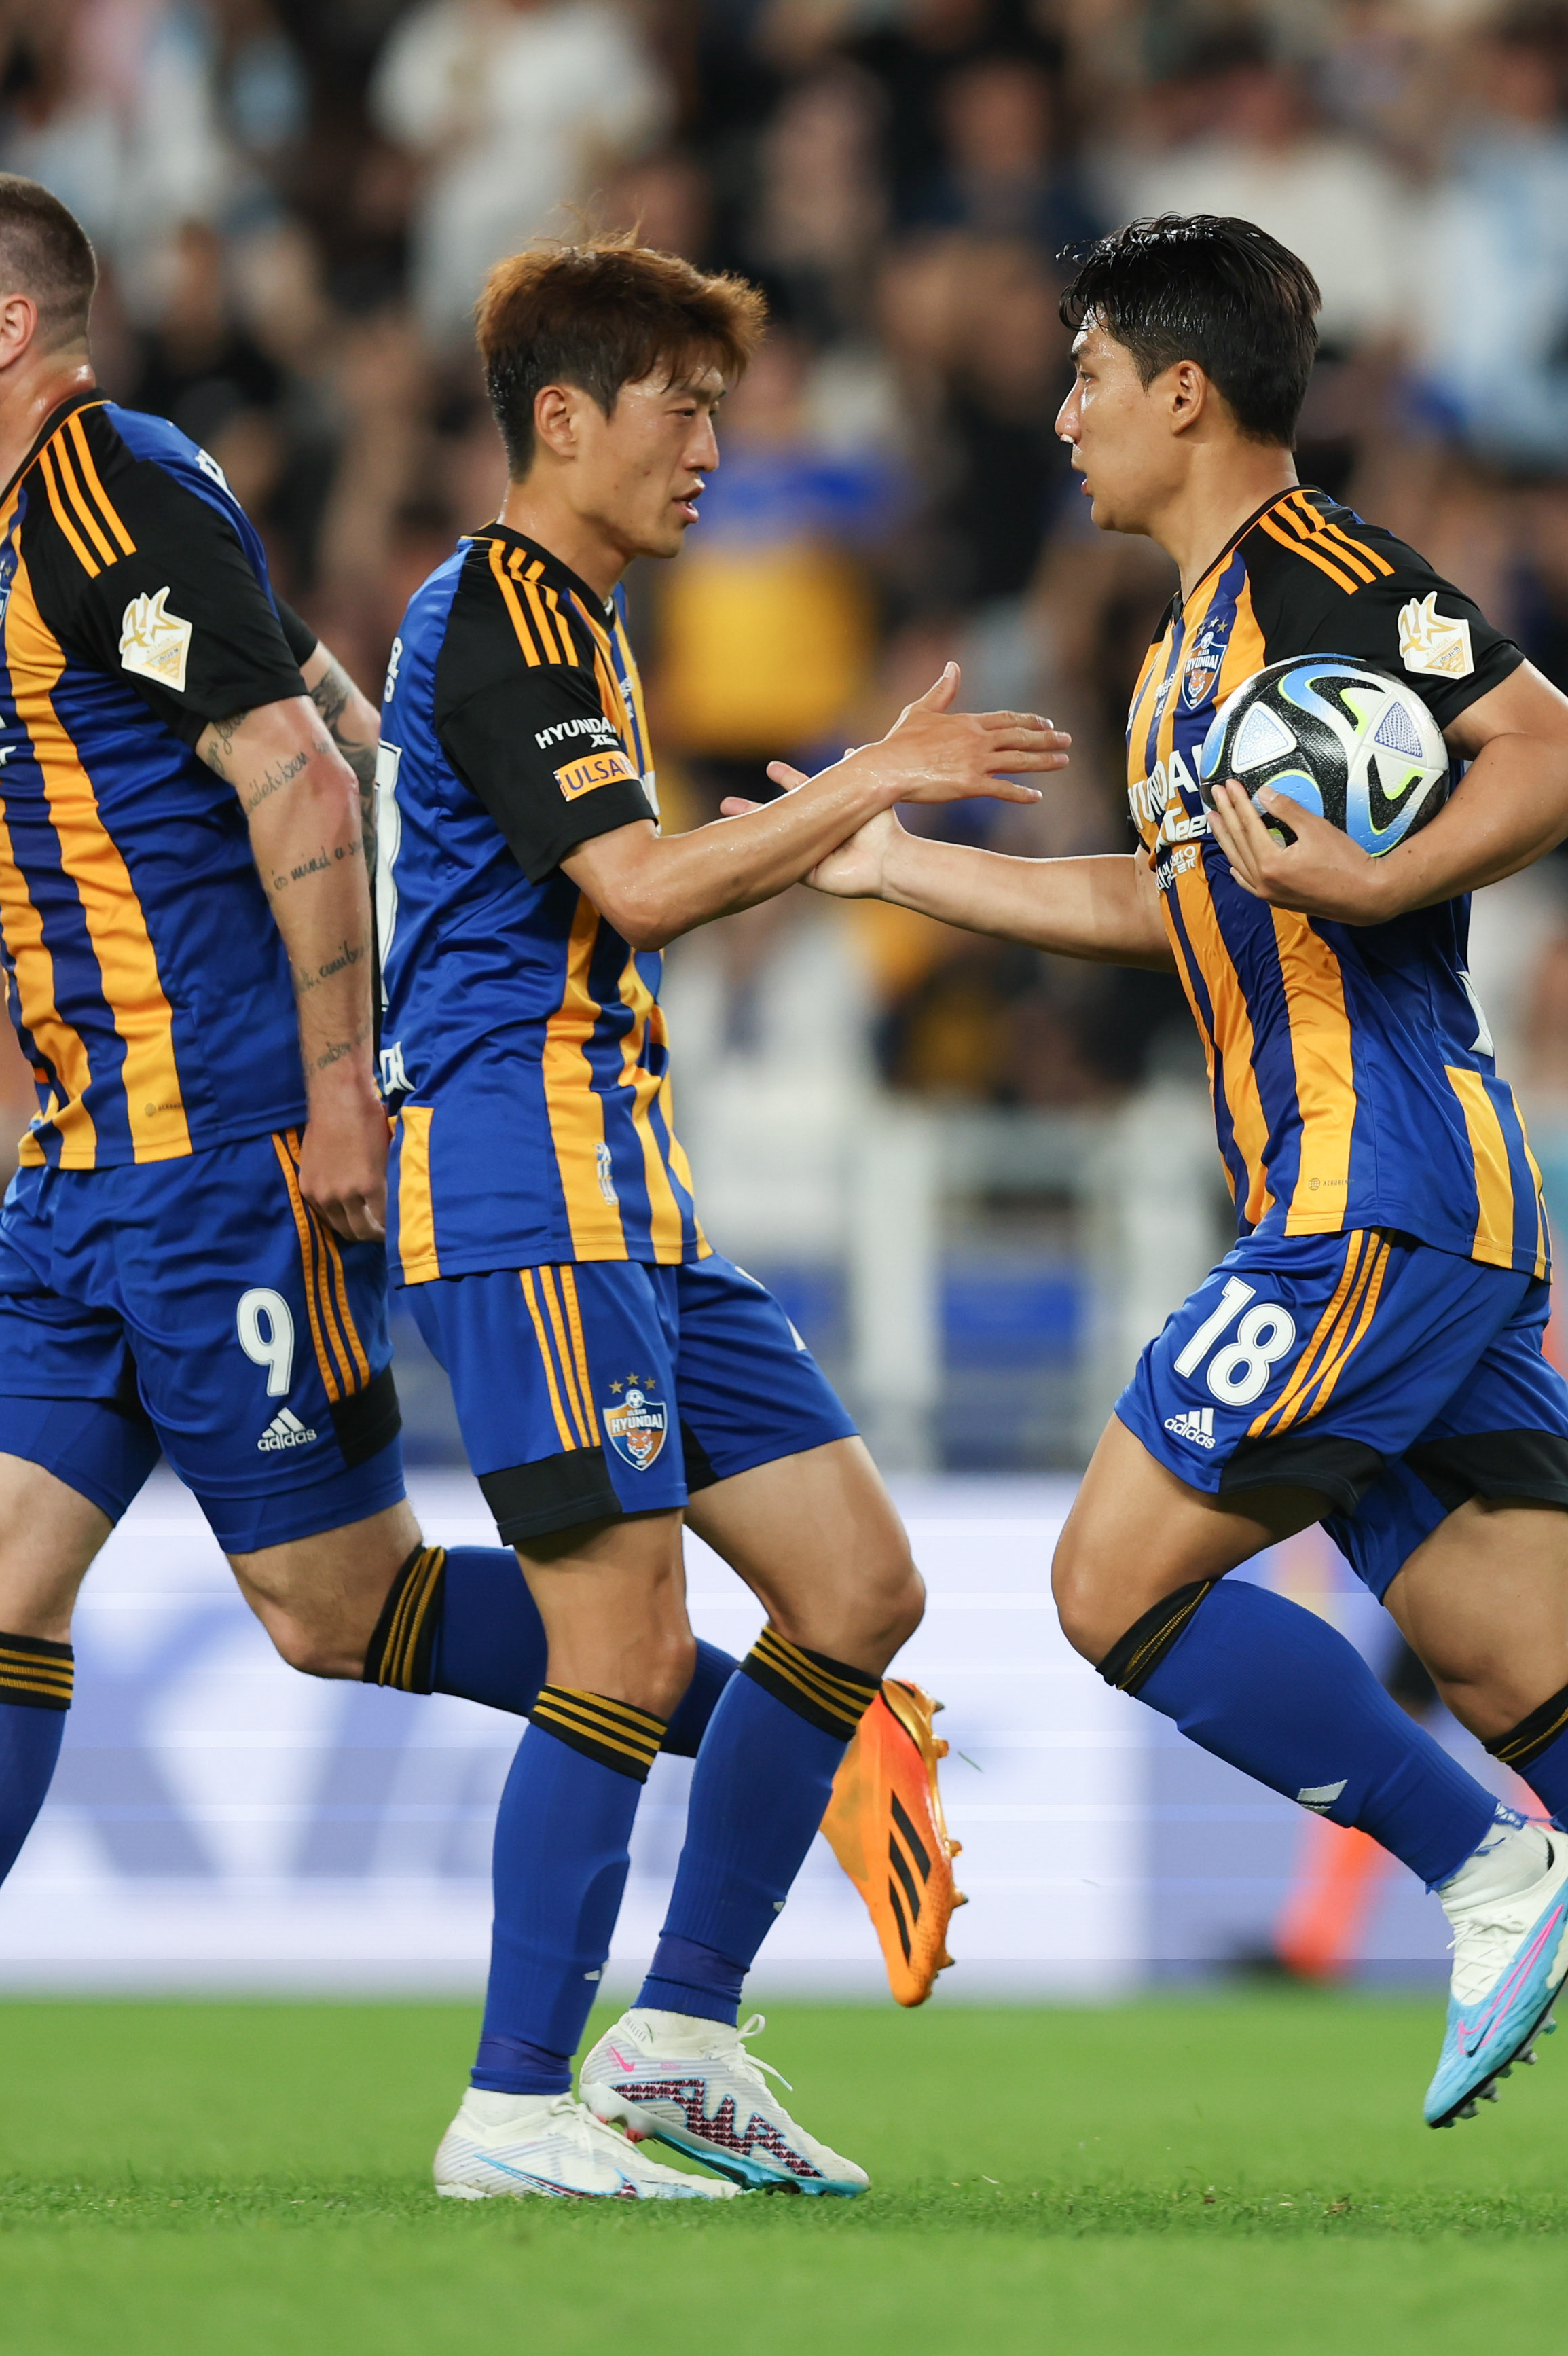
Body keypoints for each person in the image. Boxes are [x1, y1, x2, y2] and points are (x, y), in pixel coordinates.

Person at [0, 176, 951, 2188]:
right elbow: (324, 705)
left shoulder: (104, 486)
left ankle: (771, 1737)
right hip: (81, 1163)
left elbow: (300, 771)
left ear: (8, 330)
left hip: (213, 1155)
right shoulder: (79, 517)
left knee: (338, 1604)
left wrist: (334, 1092)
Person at [773, 214, 1568, 2213]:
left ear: (1183, 393)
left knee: (1107, 1588)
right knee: (1515, 1667)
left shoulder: (1322, 575)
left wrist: (1390, 882)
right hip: (1439, 1208)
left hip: (1367, 1196)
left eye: (1085, 378)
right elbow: (1168, 905)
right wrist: (900, 872)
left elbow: (1560, 755)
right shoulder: (1181, 648)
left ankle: (1490, 1874)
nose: (1061, 417)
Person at [385, 232, 1067, 2199]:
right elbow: (641, 888)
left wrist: (822, 818)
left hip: (633, 1192)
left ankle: (678, 2041)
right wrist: (870, 785)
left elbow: (634, 876)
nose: (710, 451)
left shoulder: (580, 621)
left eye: (719, 413)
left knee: (855, 1590)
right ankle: (511, 2108)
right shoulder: (501, 611)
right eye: (681, 411)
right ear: (563, 419)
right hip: (526, 1185)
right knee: (618, 1645)